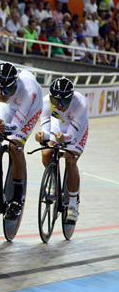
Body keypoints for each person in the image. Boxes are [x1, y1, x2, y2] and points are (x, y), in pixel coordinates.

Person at [0, 62, 43, 218]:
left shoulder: (29, 90)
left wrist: (0, 126)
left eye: (7, 89)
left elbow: (15, 126)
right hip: (7, 106)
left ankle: (17, 198)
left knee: (15, 146)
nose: (2, 93)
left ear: (15, 84)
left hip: (29, 109)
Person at [35, 78, 89, 222]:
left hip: (76, 130)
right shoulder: (46, 102)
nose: (59, 105)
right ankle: (52, 179)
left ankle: (72, 205)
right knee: (47, 152)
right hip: (58, 125)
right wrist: (42, 136)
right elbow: (46, 131)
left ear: (70, 98)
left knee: (71, 161)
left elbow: (71, 135)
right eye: (56, 101)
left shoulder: (80, 103)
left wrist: (63, 138)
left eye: (64, 102)